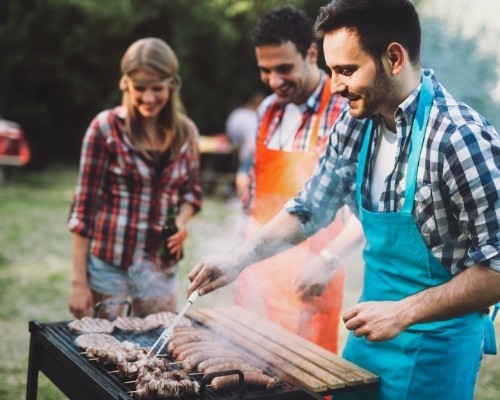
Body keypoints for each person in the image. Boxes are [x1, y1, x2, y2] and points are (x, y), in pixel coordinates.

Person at [188, 1, 500, 399]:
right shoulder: (356, 123)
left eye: (347, 71)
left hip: (437, 347)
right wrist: (239, 257)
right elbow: (310, 208)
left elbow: (496, 268)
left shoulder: (460, 139)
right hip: (369, 332)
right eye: (333, 71)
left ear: (393, 58)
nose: (334, 86)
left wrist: (404, 311)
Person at [232, 5, 350, 354]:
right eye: (265, 71)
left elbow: (361, 207)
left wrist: (328, 258)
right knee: (246, 370)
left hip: (311, 276)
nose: (274, 81)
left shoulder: (342, 109)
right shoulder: (268, 109)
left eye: (284, 68)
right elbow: (254, 191)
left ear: (311, 54)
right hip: (258, 275)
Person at [68, 37, 202, 319]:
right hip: (108, 265)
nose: (149, 98)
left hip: (160, 267)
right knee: (102, 351)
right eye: (140, 88)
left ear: (172, 84)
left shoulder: (187, 132)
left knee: (156, 346)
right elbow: (83, 208)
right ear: (125, 83)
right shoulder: (104, 128)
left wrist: (180, 222)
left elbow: (192, 192)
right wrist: (78, 283)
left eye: (157, 88)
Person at [225, 91, 265, 197]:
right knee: (247, 174)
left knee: (244, 173)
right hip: (257, 148)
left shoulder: (240, 114)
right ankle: (243, 199)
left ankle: (241, 199)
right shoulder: (254, 115)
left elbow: (232, 132)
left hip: (251, 149)